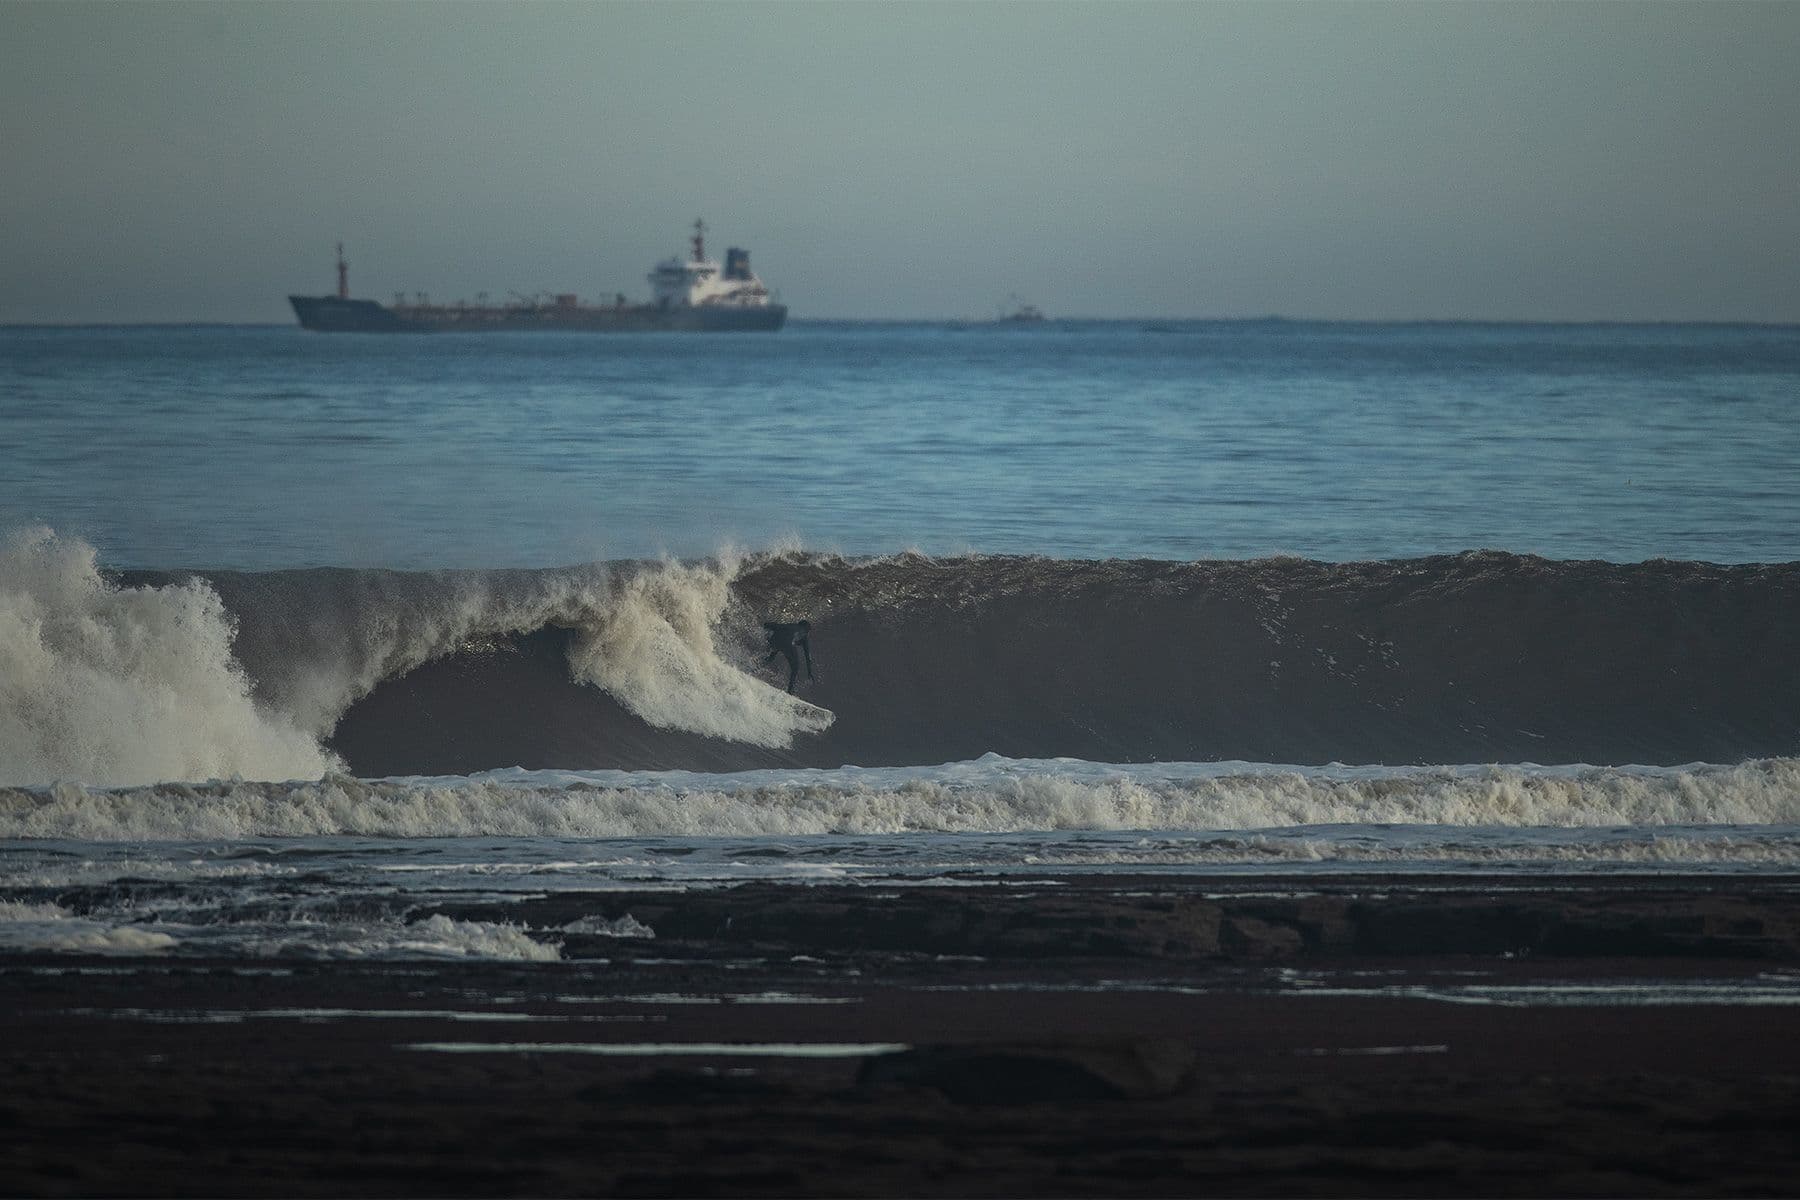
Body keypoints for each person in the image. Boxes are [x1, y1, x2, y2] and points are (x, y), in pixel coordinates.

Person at [762, 620, 814, 694]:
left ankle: (755, 668)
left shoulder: (792, 625)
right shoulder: (804, 635)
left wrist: (766, 625)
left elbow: (778, 626)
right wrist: (809, 672)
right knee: (795, 668)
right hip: (787, 644)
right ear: (806, 629)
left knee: (771, 657)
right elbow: (807, 656)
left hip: (775, 639)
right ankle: (790, 691)